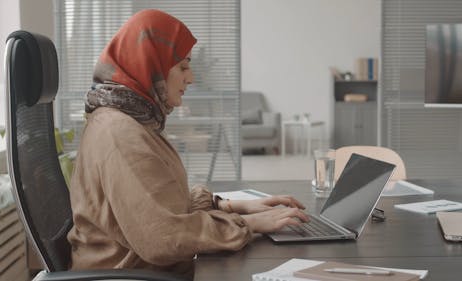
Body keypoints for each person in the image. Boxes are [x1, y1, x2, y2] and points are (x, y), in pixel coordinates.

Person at [67, 9, 309, 279]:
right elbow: (161, 236)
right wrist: (248, 224)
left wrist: (228, 206)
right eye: (182, 66)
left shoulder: (134, 120)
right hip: (129, 274)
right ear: (151, 64)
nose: (191, 77)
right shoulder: (121, 133)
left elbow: (163, 206)